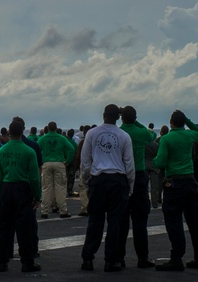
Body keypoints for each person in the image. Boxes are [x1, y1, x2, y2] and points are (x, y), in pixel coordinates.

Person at [79, 103, 135, 272]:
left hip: (98, 179)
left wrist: (86, 181)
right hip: (118, 180)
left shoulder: (92, 133)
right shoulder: (124, 136)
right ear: (118, 118)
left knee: (95, 221)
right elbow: (129, 164)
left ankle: (87, 258)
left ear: (103, 115)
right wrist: (130, 185)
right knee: (115, 222)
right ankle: (111, 260)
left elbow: (86, 161)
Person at [153, 110, 198, 272]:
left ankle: (176, 258)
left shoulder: (166, 138)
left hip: (174, 183)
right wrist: (187, 120)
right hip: (190, 181)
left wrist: (154, 160)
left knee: (174, 222)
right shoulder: (190, 136)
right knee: (195, 222)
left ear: (171, 123)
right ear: (183, 122)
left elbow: (160, 162)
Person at [0, 118, 42, 273]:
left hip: (6, 188)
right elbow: (34, 177)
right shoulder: (29, 151)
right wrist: (37, 196)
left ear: (9, 132)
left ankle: (2, 262)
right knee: (25, 228)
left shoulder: (1, 151)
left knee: (2, 227)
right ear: (22, 132)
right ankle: (27, 262)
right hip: (23, 188)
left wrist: (0, 194)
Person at [118, 105, 154, 269]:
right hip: (139, 176)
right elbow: (150, 135)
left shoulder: (119, 133)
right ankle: (143, 257)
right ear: (135, 117)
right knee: (140, 221)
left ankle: (119, 258)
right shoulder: (142, 133)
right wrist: (135, 121)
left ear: (121, 118)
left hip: (121, 177)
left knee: (120, 220)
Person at [37, 121, 75, 218]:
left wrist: (40, 161)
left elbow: (36, 149)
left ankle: (44, 211)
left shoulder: (43, 138)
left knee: (46, 188)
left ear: (48, 128)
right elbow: (71, 149)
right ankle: (63, 210)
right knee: (60, 188)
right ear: (56, 128)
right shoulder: (61, 138)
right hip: (59, 163)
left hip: (46, 163)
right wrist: (67, 161)